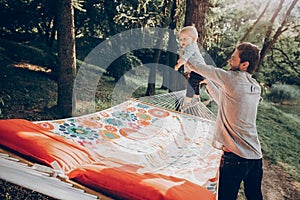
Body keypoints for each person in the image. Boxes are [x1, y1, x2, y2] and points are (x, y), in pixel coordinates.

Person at [177, 42, 263, 200]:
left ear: (244, 64)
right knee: (255, 196)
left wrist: (185, 56)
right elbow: (227, 102)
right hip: (255, 158)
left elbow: (199, 67)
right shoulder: (255, 87)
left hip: (235, 158)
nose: (230, 61)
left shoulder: (231, 78)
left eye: (233, 58)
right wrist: (208, 84)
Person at [174, 26, 206, 111]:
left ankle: (187, 103)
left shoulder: (191, 46)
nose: (182, 41)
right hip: (199, 71)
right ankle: (196, 98)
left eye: (185, 38)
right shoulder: (190, 47)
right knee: (195, 85)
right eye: (180, 39)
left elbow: (185, 59)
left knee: (191, 86)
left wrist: (178, 65)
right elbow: (189, 62)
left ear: (193, 39)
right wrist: (187, 71)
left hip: (199, 71)